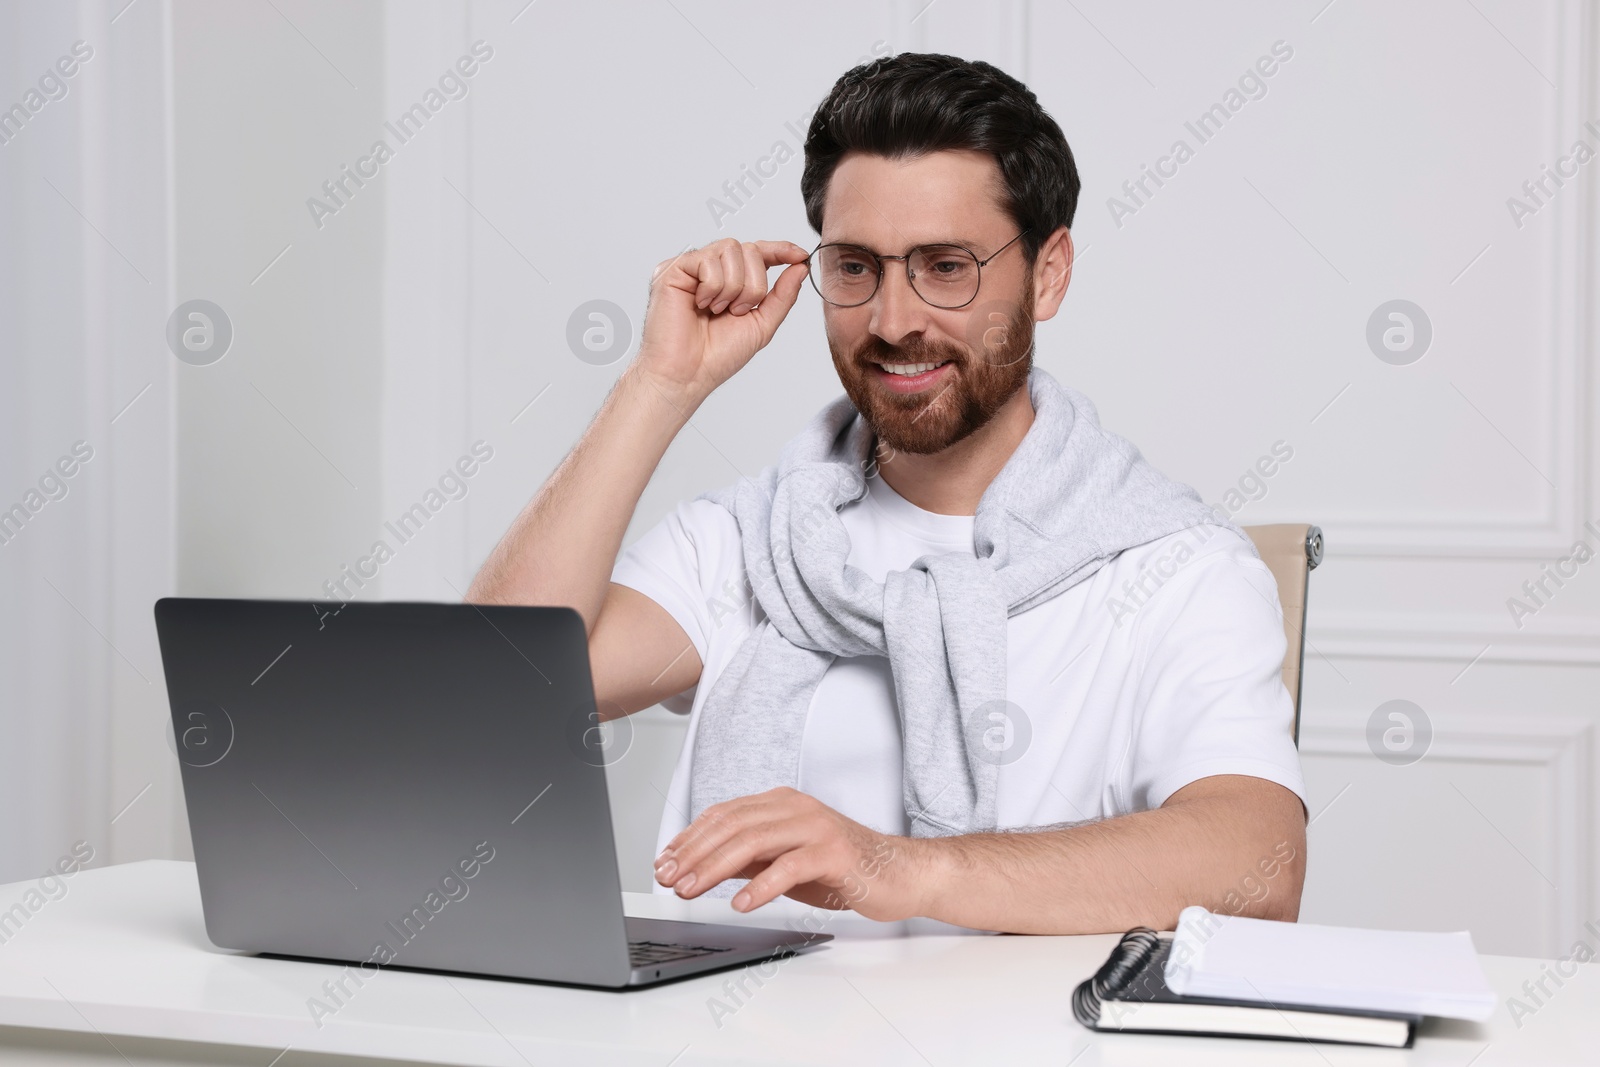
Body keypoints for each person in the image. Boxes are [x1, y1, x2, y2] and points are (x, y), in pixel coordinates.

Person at [468, 53, 1307, 935]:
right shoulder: (754, 540)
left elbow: (1260, 864)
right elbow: (490, 692)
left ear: (1049, 273)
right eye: (858, 267)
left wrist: (897, 868)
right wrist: (659, 383)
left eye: (946, 267)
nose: (894, 319)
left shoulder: (1175, 566)